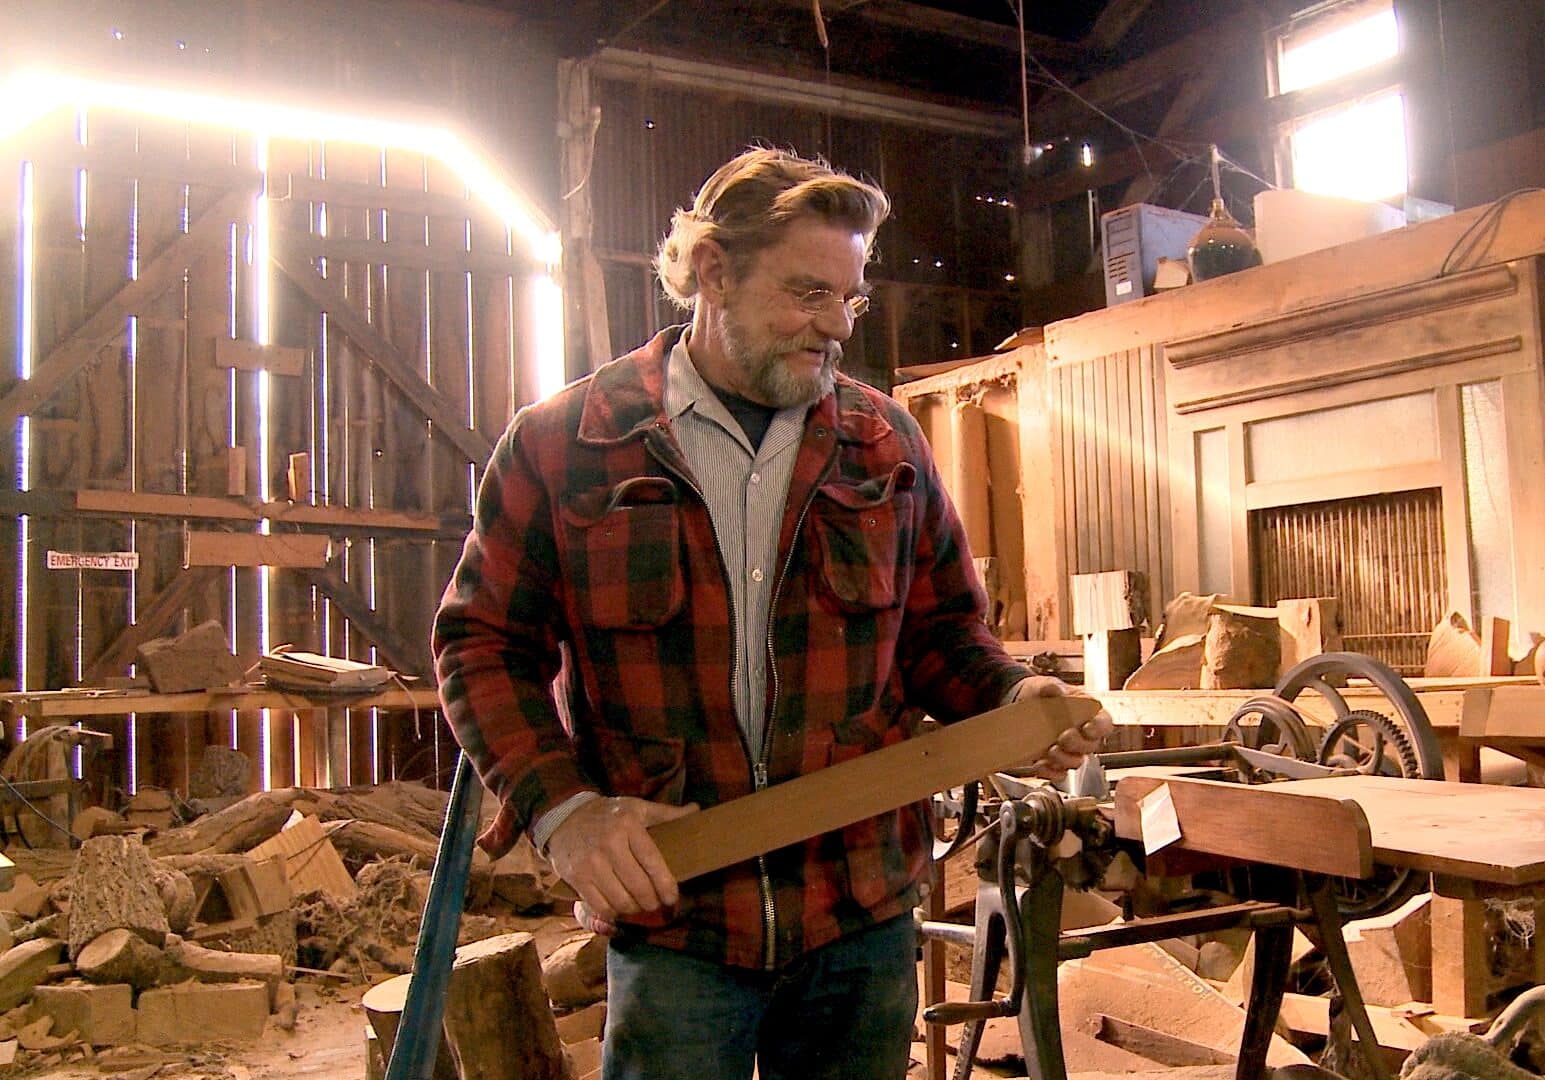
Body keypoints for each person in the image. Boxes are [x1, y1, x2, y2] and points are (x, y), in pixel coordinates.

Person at [433, 146, 1112, 1080]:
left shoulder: (885, 446)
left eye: (850, 300)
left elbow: (942, 637)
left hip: (859, 920)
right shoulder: (568, 445)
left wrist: (1010, 698)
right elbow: (481, 645)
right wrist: (566, 813)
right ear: (712, 272)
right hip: (680, 922)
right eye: (807, 295)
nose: (836, 327)